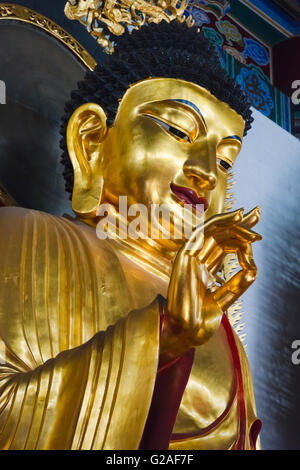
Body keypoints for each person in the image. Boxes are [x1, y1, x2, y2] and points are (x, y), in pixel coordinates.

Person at [0, 21, 262, 450]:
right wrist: (162, 340)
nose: (206, 171)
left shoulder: (223, 330)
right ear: (91, 142)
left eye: (227, 160)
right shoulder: (25, 236)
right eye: (178, 131)